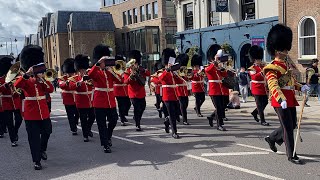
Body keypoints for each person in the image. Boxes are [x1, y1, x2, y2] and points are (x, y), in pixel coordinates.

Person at [263, 24, 303, 164]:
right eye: (284, 48)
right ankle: (291, 155)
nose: (287, 51)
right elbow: (273, 85)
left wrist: (300, 87)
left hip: (290, 99)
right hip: (280, 100)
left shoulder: (286, 65)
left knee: (291, 126)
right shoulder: (271, 67)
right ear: (277, 50)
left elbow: (290, 82)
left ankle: (272, 138)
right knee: (287, 128)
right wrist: (281, 99)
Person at [14, 45, 54, 170]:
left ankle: (42, 149)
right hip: (31, 113)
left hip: (43, 111)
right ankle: (36, 161)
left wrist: (43, 80)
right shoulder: (25, 79)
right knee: (33, 137)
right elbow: (17, 84)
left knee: (48, 131)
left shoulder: (41, 79)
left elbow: (51, 89)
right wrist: (27, 74)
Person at [88, 44, 121, 153]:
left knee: (114, 120)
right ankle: (105, 144)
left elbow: (120, 81)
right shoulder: (96, 71)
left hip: (110, 101)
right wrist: (97, 64)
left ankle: (108, 136)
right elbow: (91, 75)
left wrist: (112, 71)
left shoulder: (110, 71)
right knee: (101, 124)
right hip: (99, 101)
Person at [69, 55, 95, 142]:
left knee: (92, 116)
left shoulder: (89, 77)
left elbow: (94, 85)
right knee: (83, 119)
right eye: (82, 70)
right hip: (81, 102)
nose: (83, 72)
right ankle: (85, 136)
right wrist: (80, 81)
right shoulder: (74, 78)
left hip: (90, 101)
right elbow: (72, 86)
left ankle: (88, 129)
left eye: (84, 70)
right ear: (78, 70)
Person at [124, 50, 150, 131]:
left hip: (141, 92)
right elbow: (126, 82)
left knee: (143, 107)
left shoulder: (141, 69)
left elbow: (148, 73)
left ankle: (136, 117)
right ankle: (137, 124)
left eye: (136, 63)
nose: (135, 64)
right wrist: (131, 76)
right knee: (136, 108)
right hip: (133, 93)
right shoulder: (128, 70)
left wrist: (143, 70)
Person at [0, 56, 23, 146]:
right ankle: (13, 140)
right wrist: (5, 86)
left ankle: (15, 131)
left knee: (19, 119)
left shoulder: (16, 77)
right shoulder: (1, 79)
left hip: (16, 100)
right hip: (6, 102)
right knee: (9, 122)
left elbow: (21, 87)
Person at [158, 48, 180, 139]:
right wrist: (167, 70)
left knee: (176, 113)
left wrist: (176, 73)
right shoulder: (163, 71)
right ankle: (174, 132)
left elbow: (179, 80)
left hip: (175, 95)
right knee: (172, 114)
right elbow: (161, 79)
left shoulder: (173, 71)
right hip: (167, 96)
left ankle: (167, 121)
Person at [206, 47, 227, 131]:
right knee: (218, 108)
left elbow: (224, 75)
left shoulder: (218, 67)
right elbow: (208, 70)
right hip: (213, 90)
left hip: (220, 89)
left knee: (221, 107)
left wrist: (222, 68)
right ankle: (219, 125)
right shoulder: (209, 66)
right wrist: (214, 62)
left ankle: (211, 117)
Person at [248, 45, 270, 126]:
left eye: (260, 59)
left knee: (265, 102)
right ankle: (262, 120)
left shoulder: (263, 66)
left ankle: (255, 112)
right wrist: (262, 72)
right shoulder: (252, 68)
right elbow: (254, 77)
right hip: (256, 88)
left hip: (263, 88)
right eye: (257, 59)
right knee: (259, 105)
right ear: (254, 60)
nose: (259, 60)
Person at [58, 58, 79, 135]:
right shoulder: (62, 78)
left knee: (77, 113)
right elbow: (61, 85)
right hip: (67, 99)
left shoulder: (76, 77)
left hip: (76, 98)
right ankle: (73, 129)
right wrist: (67, 82)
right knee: (70, 115)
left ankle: (75, 122)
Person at [113, 55, 131, 126]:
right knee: (121, 105)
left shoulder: (124, 70)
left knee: (128, 104)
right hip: (118, 90)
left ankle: (123, 114)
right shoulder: (114, 70)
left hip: (125, 90)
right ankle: (122, 118)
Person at [175, 53, 190, 125]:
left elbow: (189, 79)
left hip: (185, 90)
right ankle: (185, 120)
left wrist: (188, 75)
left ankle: (178, 113)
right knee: (182, 105)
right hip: (178, 90)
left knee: (186, 104)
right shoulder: (176, 71)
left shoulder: (185, 70)